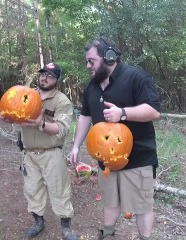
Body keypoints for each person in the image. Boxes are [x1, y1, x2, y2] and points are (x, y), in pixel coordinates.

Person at [69, 37, 161, 240]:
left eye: (91, 61)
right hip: (106, 162)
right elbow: (86, 115)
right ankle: (108, 234)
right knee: (110, 201)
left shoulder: (136, 77)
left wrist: (123, 113)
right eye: (86, 61)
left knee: (142, 206)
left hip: (138, 159)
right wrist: (76, 146)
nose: (87, 65)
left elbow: (154, 111)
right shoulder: (91, 86)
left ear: (108, 57)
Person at [0, 63, 78, 240]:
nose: (44, 77)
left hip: (52, 152)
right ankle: (38, 221)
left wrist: (41, 124)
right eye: (42, 74)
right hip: (29, 154)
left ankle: (66, 227)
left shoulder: (61, 101)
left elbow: (62, 129)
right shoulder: (25, 95)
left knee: (59, 189)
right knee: (32, 190)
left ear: (56, 80)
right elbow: (17, 118)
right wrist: (6, 118)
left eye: (50, 75)